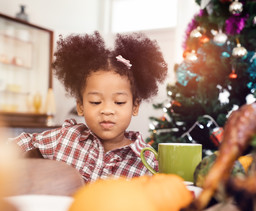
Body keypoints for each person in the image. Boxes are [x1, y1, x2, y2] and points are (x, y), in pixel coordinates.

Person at [9, 31, 168, 183]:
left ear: (135, 106)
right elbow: (26, 142)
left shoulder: (146, 160)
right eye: (95, 102)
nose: (107, 110)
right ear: (80, 106)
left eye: (119, 102)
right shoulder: (66, 138)